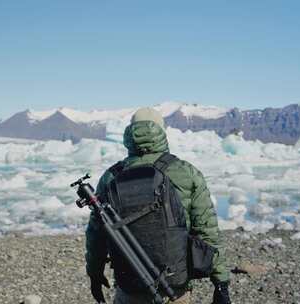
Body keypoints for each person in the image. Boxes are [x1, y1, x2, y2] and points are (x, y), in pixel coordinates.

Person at [85, 107, 230, 304]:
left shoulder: (111, 177)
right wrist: (221, 283)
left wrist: (94, 273)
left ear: (130, 133)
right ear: (162, 132)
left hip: (130, 287)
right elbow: (207, 231)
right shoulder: (186, 172)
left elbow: (97, 232)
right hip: (175, 287)